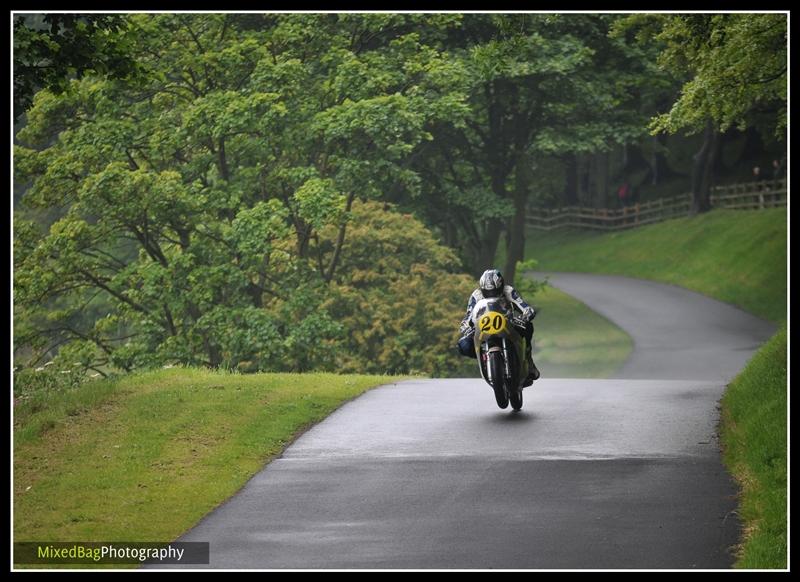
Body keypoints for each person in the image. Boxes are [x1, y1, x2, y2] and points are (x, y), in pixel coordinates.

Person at [456, 268, 540, 387]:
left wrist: (526, 315)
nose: (491, 295)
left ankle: (528, 361)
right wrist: (465, 326)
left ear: (501, 286)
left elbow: (524, 306)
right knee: (464, 345)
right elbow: (469, 315)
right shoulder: (476, 295)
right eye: (488, 292)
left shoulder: (509, 291)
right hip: (484, 327)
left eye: (495, 291)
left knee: (528, 327)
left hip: (507, 324)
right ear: (482, 288)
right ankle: (486, 359)